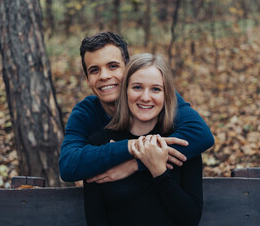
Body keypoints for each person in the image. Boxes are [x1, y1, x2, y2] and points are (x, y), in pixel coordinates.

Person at [59, 31, 213, 183]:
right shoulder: (85, 112)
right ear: (87, 79)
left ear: (128, 69)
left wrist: (135, 164)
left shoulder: (152, 98)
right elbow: (68, 165)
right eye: (94, 70)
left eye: (113, 66)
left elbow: (201, 135)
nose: (104, 76)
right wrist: (130, 146)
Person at [84, 53, 203, 225]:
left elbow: (191, 218)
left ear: (166, 95)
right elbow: (96, 220)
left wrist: (159, 172)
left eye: (156, 89)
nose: (146, 97)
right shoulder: (100, 144)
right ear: (125, 91)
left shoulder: (182, 143)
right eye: (137, 87)